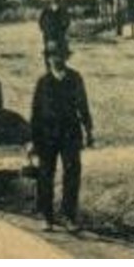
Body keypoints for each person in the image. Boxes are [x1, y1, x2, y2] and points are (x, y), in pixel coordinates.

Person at [30, 38, 94, 233]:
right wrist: (32, 140)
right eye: (51, 56)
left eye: (59, 55)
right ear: (47, 59)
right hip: (47, 134)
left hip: (70, 133)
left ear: (65, 57)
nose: (55, 59)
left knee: (72, 173)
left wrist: (89, 130)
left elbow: (83, 106)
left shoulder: (75, 78)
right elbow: (35, 112)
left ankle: (68, 216)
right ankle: (46, 216)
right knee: (45, 174)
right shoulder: (43, 82)